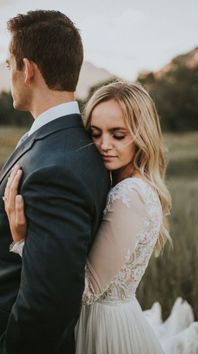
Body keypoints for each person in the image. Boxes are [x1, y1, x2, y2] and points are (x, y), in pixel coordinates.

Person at [4, 81, 198, 354]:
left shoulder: (131, 194)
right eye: (96, 133)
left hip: (103, 330)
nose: (104, 145)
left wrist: (22, 239)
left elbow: (85, 290)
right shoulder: (119, 182)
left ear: (141, 135)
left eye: (118, 135)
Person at [0, 10, 109, 354]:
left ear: (28, 69)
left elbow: (47, 305)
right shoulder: (53, 138)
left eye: (9, 64)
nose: (8, 73)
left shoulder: (58, 167)